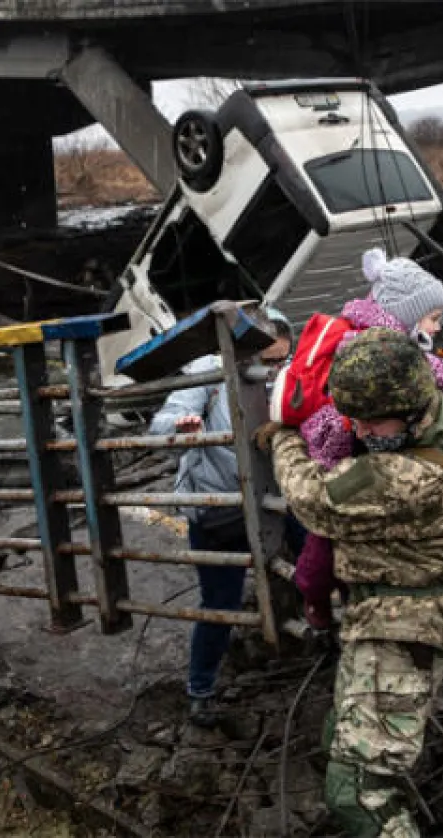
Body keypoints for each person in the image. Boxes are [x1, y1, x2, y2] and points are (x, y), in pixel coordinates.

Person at [263, 329, 443, 838]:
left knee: (357, 793)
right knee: (345, 739)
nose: (362, 429)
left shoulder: (406, 476)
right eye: (355, 418)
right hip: (403, 615)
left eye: (373, 420)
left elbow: (312, 497)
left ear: (410, 407)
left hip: (403, 632)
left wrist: (285, 434)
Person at [294, 247, 443, 628]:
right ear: (407, 315)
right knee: (326, 525)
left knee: (342, 529)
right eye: (433, 318)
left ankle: (334, 600)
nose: (438, 327)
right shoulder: (376, 344)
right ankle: (315, 598)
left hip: (355, 440)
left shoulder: (376, 334)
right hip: (338, 441)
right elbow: (432, 369)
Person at [148, 306, 295, 727]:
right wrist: (185, 427)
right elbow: (161, 427)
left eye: (282, 361)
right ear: (243, 353)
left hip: (277, 501)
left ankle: (319, 632)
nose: (274, 372)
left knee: (315, 558)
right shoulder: (209, 373)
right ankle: (201, 689)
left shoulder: (288, 375)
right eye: (267, 363)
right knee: (220, 602)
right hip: (219, 508)